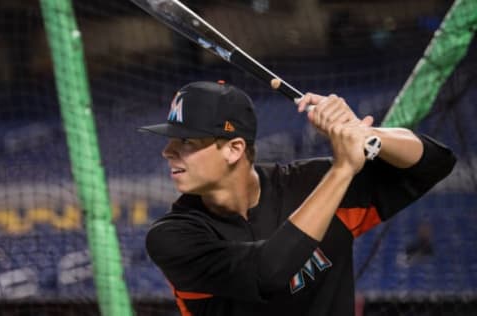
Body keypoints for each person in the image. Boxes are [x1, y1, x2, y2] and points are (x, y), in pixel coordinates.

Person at [139, 80, 456, 316]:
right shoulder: (173, 237)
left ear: (234, 148)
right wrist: (343, 170)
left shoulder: (309, 183)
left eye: (186, 142)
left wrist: (365, 134)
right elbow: (268, 273)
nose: (168, 152)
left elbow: (436, 163)